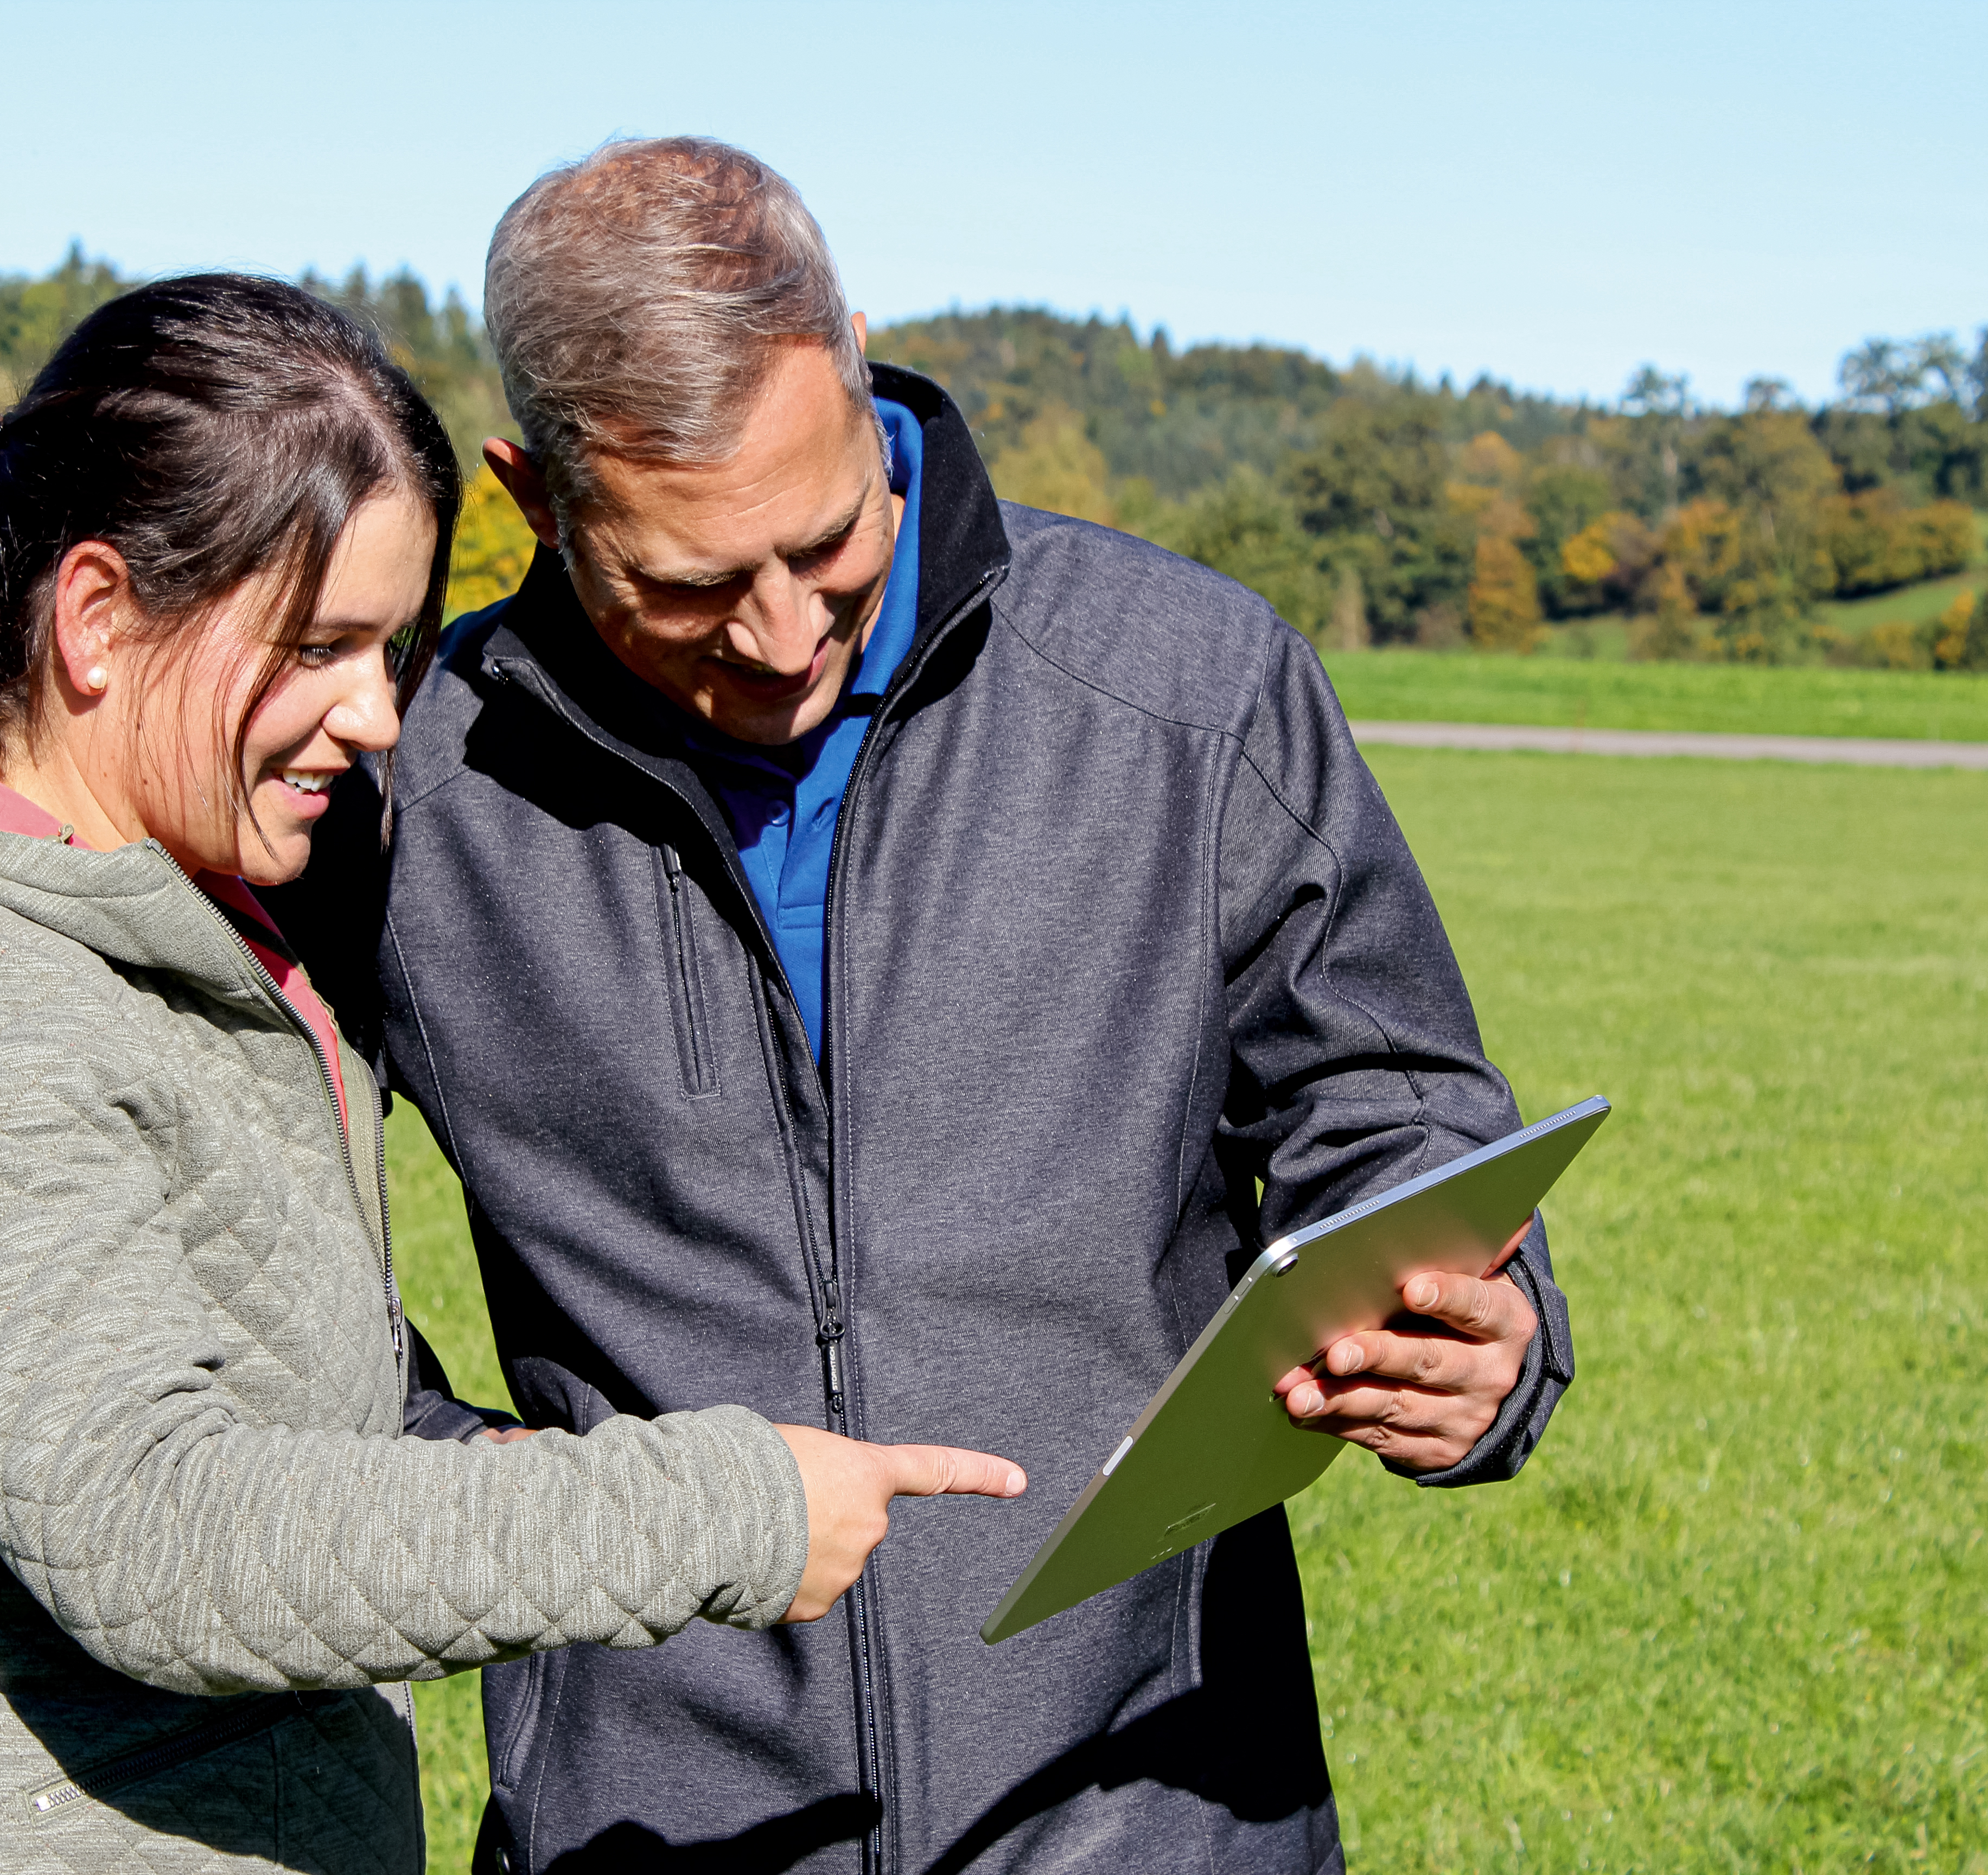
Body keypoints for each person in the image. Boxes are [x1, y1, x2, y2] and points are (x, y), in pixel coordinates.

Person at [271, 142, 1579, 1873]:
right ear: (532, 497)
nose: (784, 633)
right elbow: (235, 1223)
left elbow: (1395, 1109)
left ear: (859, 357)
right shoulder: (405, 784)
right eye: (685, 587)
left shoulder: (1189, 686)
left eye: (826, 544)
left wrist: (1478, 1339)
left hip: (1153, 1816)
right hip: (651, 1830)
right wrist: (490, 1493)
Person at [0, 274, 1022, 1875]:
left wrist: (453, 1458)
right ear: (96, 620)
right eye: (320, 647)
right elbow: (158, 1536)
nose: (377, 717)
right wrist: (725, 1510)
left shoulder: (171, 940)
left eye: (396, 644)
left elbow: (225, 1378)